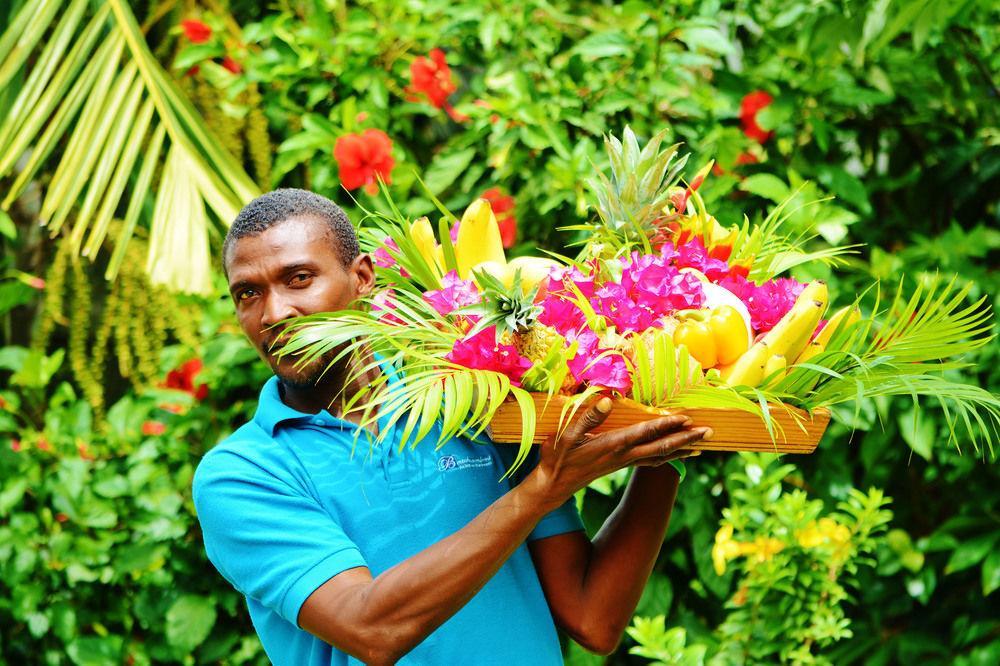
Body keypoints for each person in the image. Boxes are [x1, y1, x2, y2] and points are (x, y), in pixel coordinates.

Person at [193, 188, 713, 666]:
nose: (275, 312)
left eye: (298, 278)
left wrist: (666, 445)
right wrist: (543, 489)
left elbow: (592, 618)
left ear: (363, 278)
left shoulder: (476, 401)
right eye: (248, 294)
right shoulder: (243, 474)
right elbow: (372, 628)